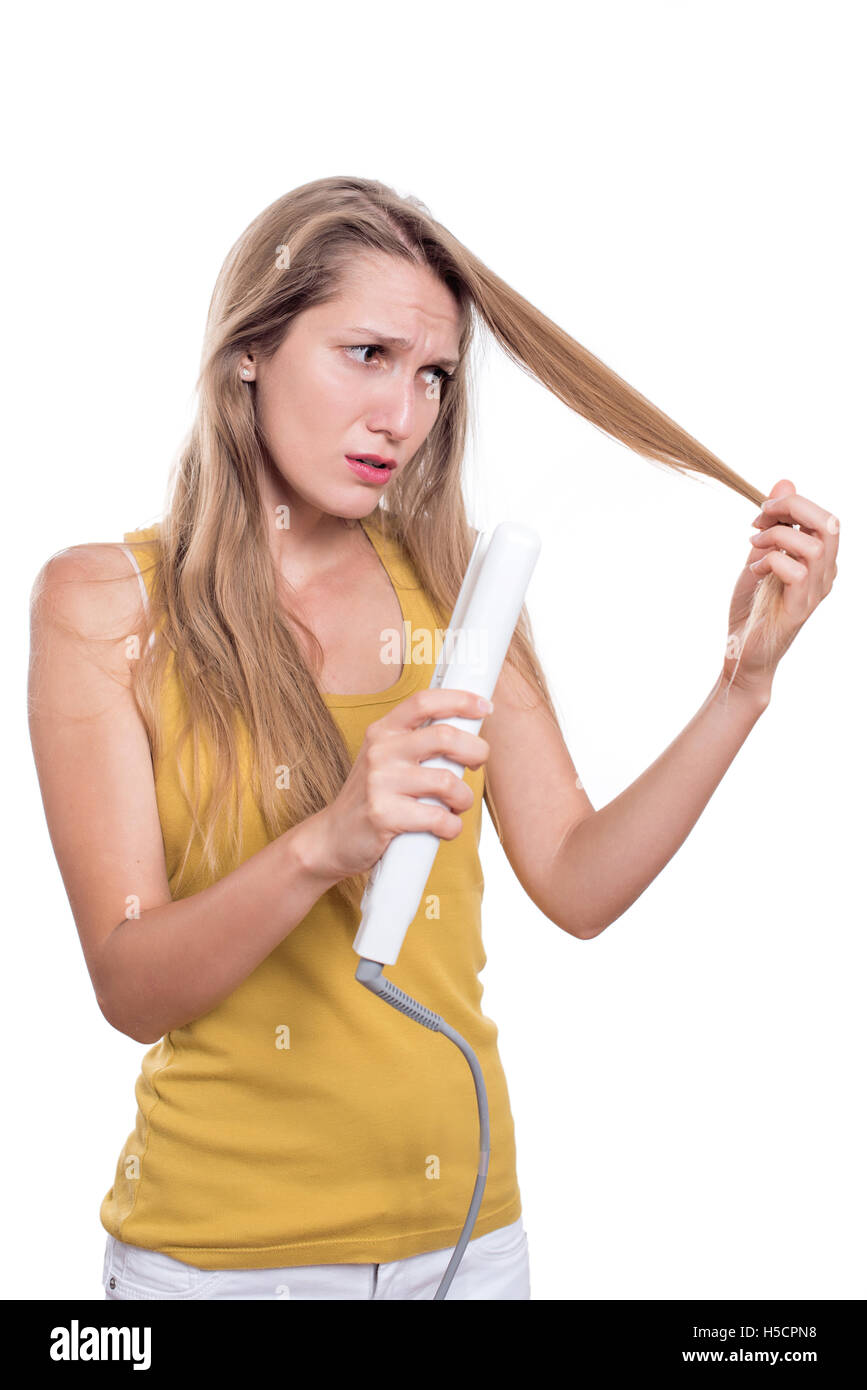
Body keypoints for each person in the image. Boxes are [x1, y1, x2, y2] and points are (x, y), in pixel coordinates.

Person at [27, 176, 838, 1301]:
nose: (402, 416)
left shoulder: (454, 596)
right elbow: (130, 987)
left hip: (464, 1238)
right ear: (250, 350)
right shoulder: (107, 605)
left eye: (433, 377)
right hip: (216, 1262)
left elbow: (578, 880)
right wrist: (330, 838)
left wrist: (742, 686)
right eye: (366, 354)